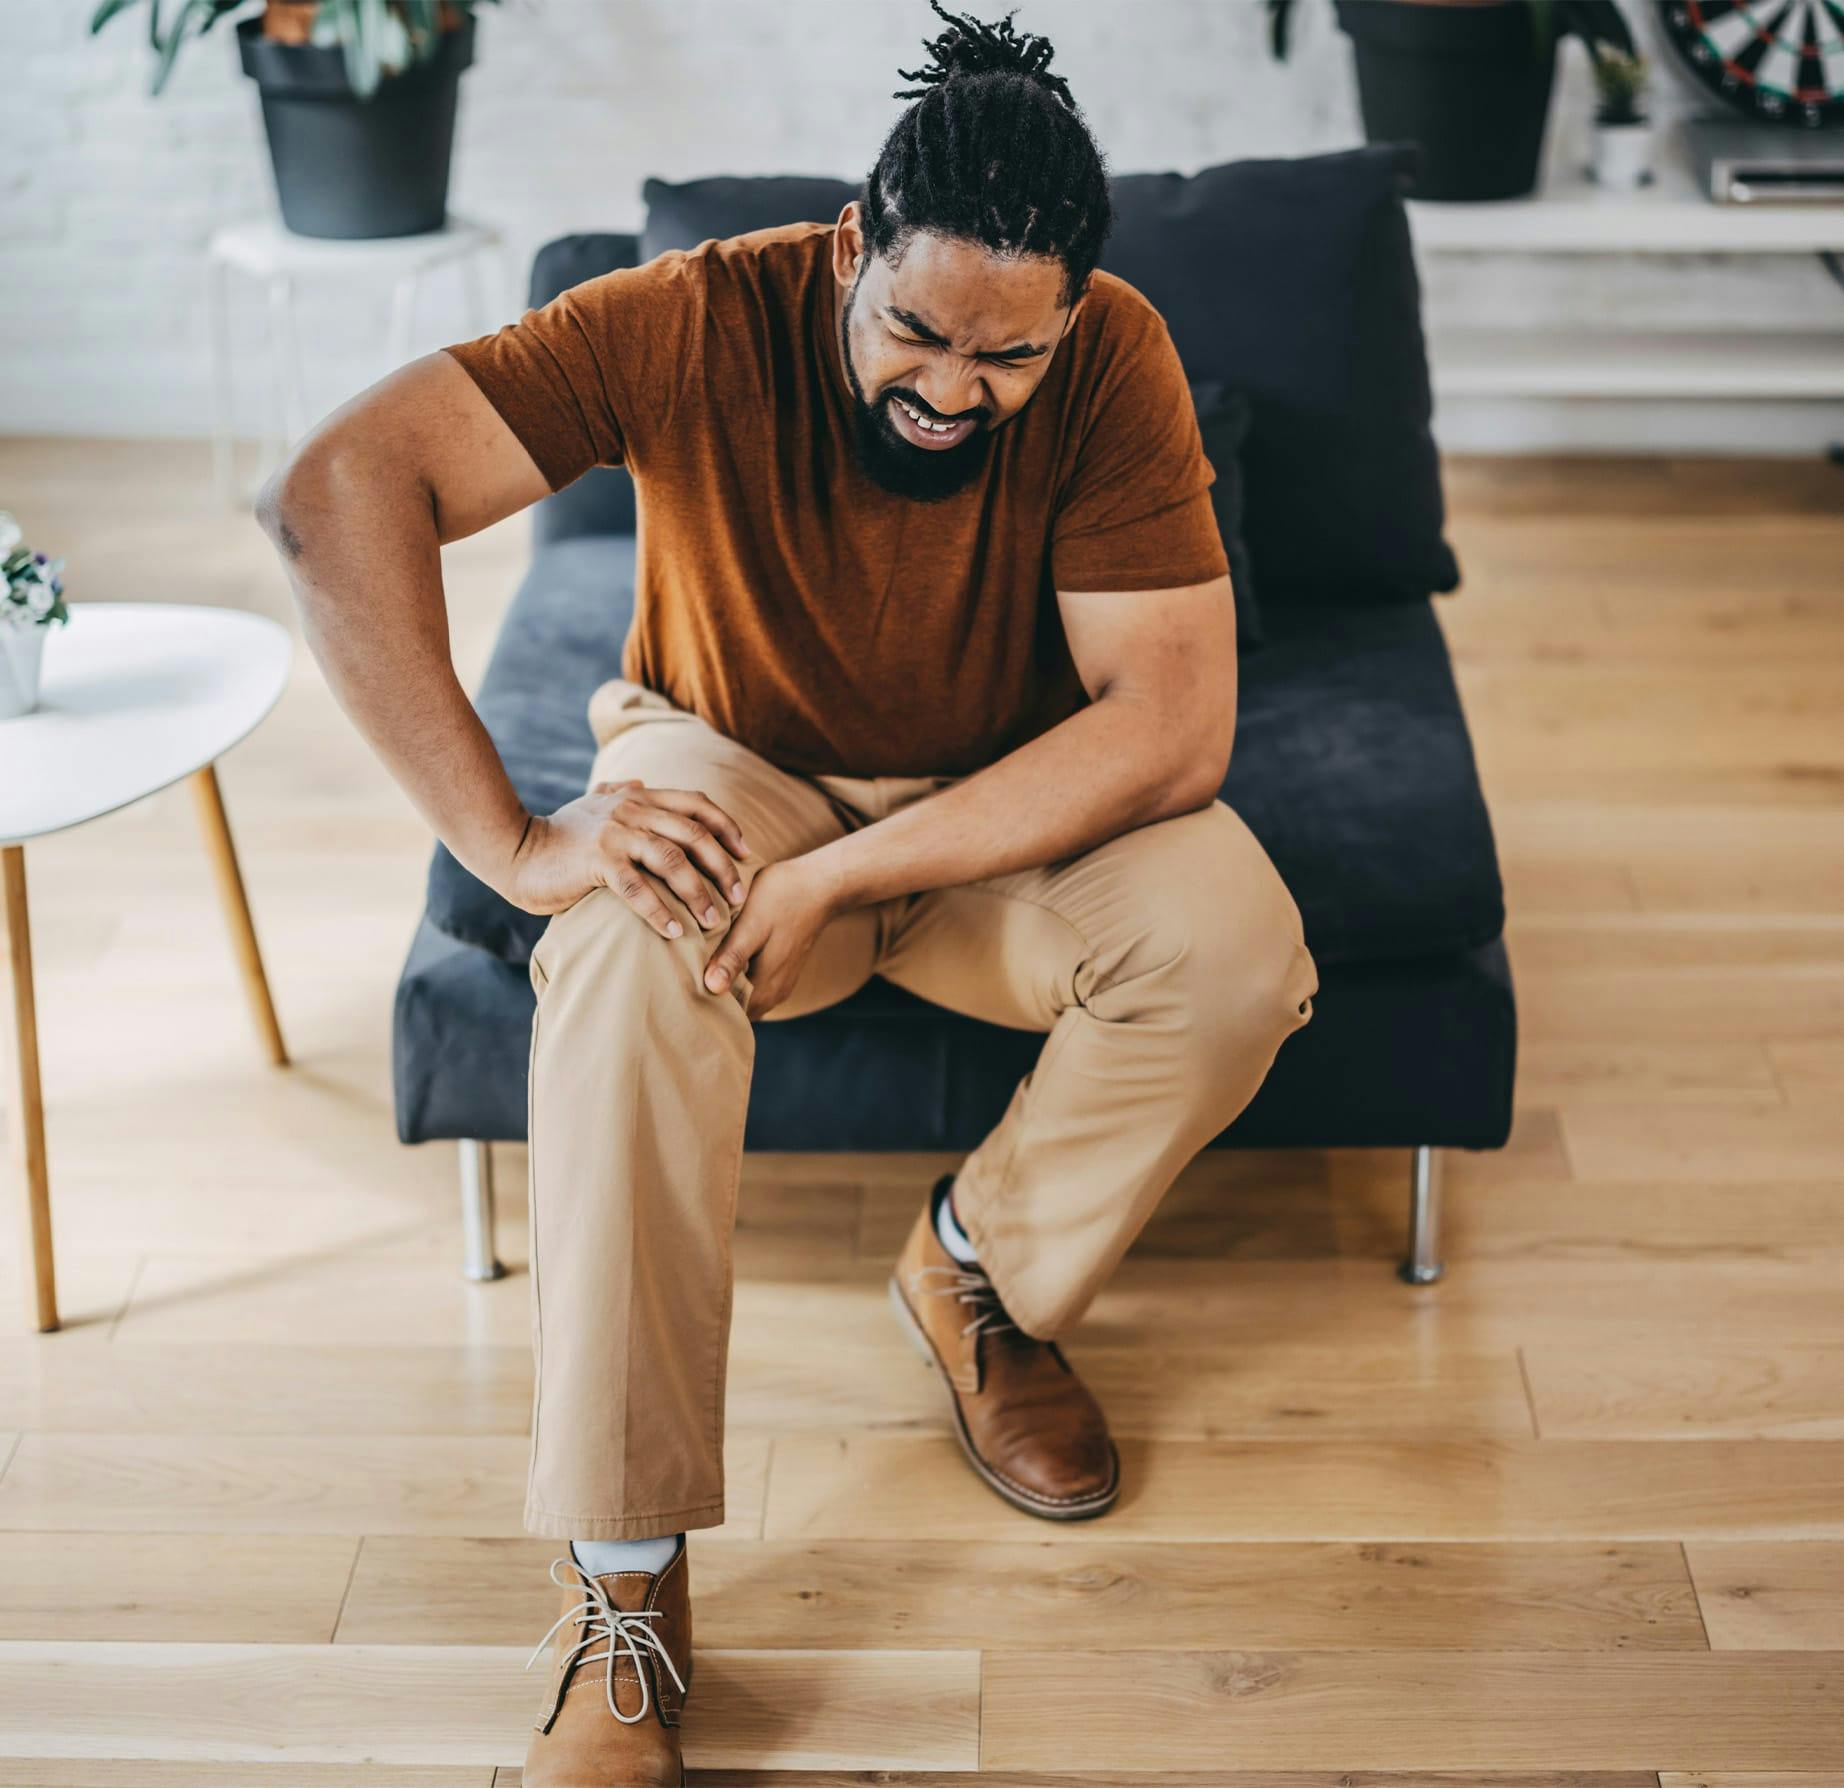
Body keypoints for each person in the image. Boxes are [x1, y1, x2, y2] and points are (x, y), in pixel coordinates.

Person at [258, 3, 1318, 1779]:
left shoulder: (1115, 352)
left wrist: (857, 867)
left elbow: (1172, 727)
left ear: (1069, 317)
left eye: (1009, 355)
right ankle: (623, 1590)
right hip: (727, 778)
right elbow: (337, 489)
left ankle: (974, 1276)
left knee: (1234, 950)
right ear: (851, 247)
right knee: (611, 944)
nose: (955, 390)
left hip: (991, 821)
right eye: (917, 329)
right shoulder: (691, 315)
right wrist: (515, 845)